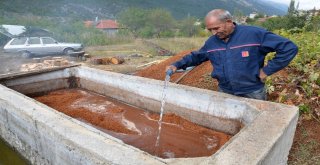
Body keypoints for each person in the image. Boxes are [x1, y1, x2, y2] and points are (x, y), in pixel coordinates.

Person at [166, 9, 298, 100]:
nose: (213, 33)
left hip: (252, 91)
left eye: (216, 28)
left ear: (228, 22)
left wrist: (266, 71)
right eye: (210, 30)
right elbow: (197, 56)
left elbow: (289, 48)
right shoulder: (212, 42)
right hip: (225, 91)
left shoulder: (254, 34)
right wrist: (176, 65)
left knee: (254, 124)